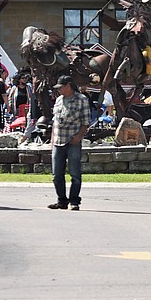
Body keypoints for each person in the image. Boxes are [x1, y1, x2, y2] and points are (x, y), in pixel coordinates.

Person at [48, 75, 92, 210]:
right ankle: (62, 200)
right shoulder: (59, 100)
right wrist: (52, 139)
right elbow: (55, 121)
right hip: (58, 140)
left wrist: (79, 137)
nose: (59, 90)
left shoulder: (81, 100)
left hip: (73, 140)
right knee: (56, 174)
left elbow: (86, 121)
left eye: (61, 87)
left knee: (75, 173)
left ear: (68, 86)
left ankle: (74, 201)